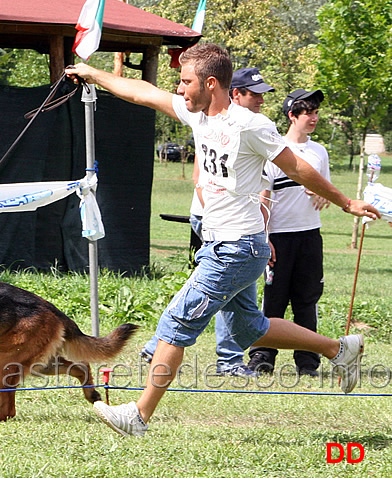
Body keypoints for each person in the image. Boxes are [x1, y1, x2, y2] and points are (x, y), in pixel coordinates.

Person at [65, 42, 380, 437]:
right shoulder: (198, 117)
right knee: (251, 328)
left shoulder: (249, 125)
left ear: (210, 83)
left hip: (237, 247)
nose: (179, 89)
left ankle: (138, 416)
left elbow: (298, 168)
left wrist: (346, 200)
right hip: (224, 244)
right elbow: (144, 93)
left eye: (186, 81)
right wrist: (94, 75)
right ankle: (339, 349)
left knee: (175, 322)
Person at [140, 67, 276, 377]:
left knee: (239, 310)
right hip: (219, 227)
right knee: (209, 295)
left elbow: (265, 189)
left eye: (263, 95)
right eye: (254, 94)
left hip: (241, 233)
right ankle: (166, 346)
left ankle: (332, 348)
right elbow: (200, 180)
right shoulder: (208, 121)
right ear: (234, 93)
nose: (260, 100)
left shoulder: (253, 129)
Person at [248, 89, 331, 377]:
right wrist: (265, 236)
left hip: (310, 236)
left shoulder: (319, 152)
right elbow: (263, 197)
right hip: (279, 238)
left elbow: (326, 191)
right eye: (308, 112)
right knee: (274, 300)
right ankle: (262, 358)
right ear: (291, 116)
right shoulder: (275, 150)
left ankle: (308, 363)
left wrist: (323, 195)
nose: (313, 118)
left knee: (307, 299)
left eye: (316, 112)